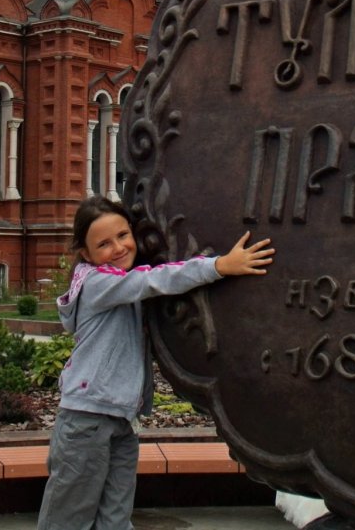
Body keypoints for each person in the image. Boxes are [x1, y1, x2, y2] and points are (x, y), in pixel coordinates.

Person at [36, 195, 274, 530]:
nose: (118, 247)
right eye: (103, 243)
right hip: (85, 420)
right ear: (86, 254)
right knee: (68, 519)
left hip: (120, 418)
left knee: (116, 519)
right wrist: (219, 266)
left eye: (123, 235)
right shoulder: (98, 284)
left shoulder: (116, 282)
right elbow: (154, 279)